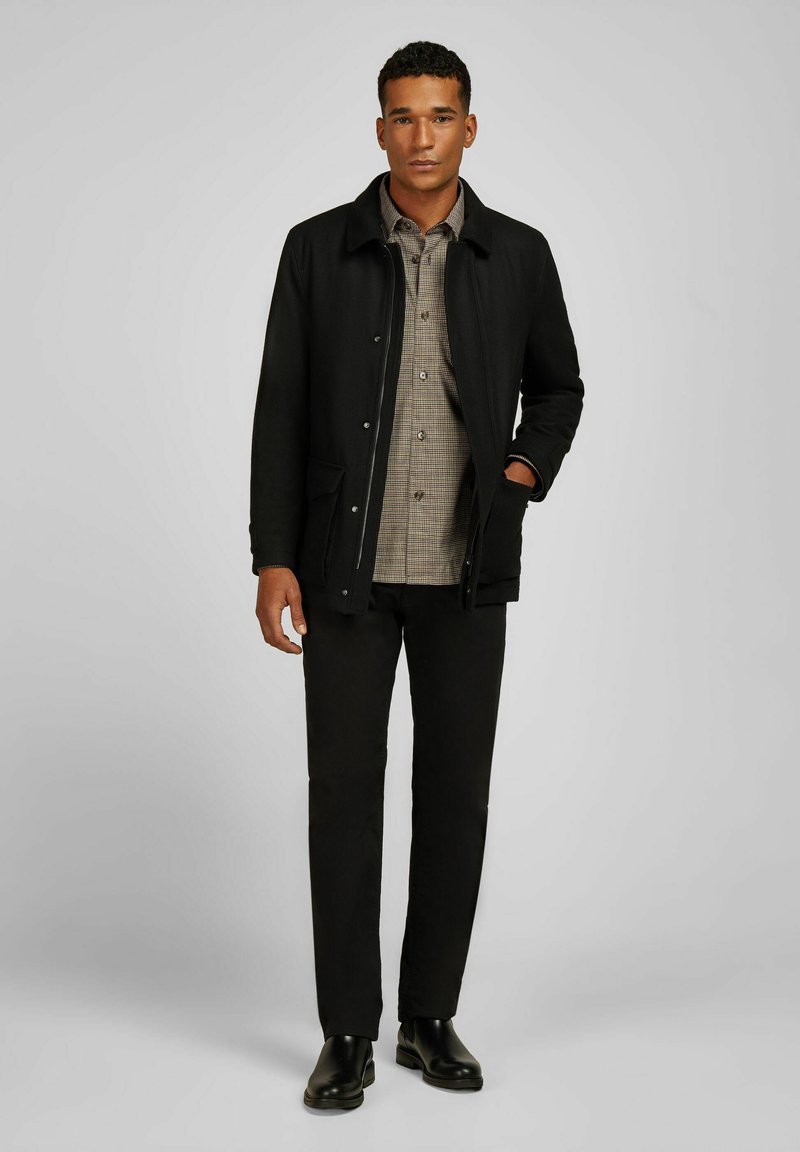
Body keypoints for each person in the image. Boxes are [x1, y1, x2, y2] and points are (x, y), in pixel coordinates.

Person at [249, 40, 584, 1110]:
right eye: (403, 116)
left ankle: (427, 1017)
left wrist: (519, 476)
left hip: (465, 573)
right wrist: (272, 558)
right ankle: (347, 1030)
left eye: (440, 116)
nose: (421, 136)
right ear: (380, 129)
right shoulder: (318, 249)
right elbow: (279, 410)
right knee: (342, 802)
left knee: (454, 800)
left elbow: (560, 389)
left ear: (468, 127)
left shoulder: (518, 254)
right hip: (344, 572)